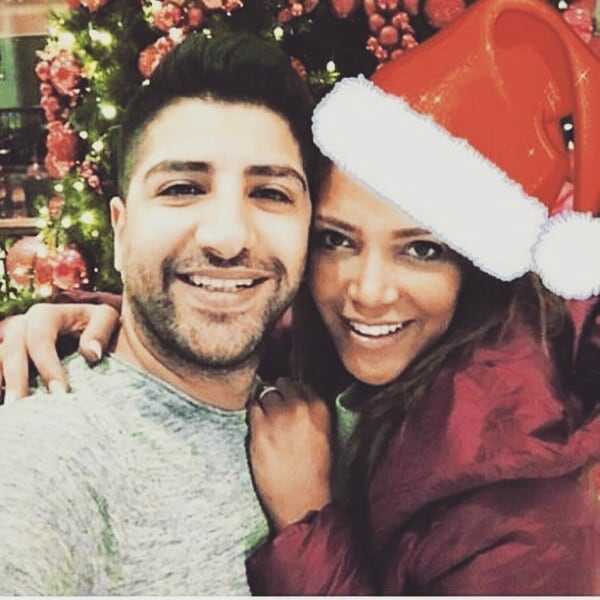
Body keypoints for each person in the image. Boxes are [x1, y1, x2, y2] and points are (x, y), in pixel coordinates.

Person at [3, 0, 600, 594]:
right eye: (337, 240)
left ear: (478, 274)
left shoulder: (523, 501)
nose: (368, 293)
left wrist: (309, 519)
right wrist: (101, 317)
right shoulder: (46, 465)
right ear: (120, 226)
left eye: (422, 249)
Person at [0, 31, 331, 595]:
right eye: (182, 188)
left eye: (271, 193)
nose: (227, 237)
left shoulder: (324, 419)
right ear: (120, 228)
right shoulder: (42, 461)